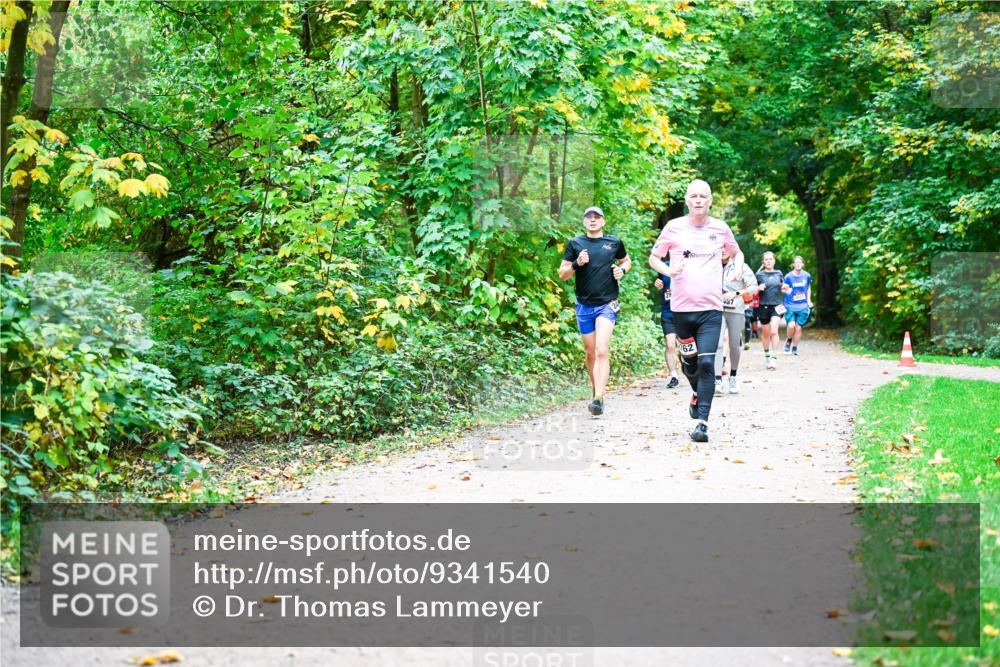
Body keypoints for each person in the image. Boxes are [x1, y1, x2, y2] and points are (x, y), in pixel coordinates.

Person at [648, 179, 744, 443]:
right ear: (687, 201)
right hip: (680, 311)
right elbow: (654, 258)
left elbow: (737, 253)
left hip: (711, 310)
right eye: (694, 196)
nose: (699, 200)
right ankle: (696, 394)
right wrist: (668, 270)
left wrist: (736, 266)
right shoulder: (673, 227)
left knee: (706, 363)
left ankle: (702, 422)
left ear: (710, 200)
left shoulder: (720, 228)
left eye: (703, 196)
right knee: (689, 364)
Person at [559, 206, 632, 416]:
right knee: (590, 353)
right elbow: (562, 274)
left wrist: (622, 270)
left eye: (597, 217)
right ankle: (595, 389)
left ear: (603, 221)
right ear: (584, 222)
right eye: (589, 217)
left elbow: (627, 261)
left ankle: (599, 398)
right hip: (584, 305)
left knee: (601, 350)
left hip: (607, 303)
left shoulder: (614, 242)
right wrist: (576, 263)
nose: (593, 220)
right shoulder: (575, 244)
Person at [715, 251, 759, 394]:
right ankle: (717, 380)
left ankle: (733, 376)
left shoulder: (740, 266)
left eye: (725, 247)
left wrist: (736, 293)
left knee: (734, 345)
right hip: (716, 309)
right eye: (720, 247)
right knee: (718, 343)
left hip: (736, 309)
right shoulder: (710, 264)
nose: (722, 251)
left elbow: (754, 287)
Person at [755, 251, 784, 370]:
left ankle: (774, 358)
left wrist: (785, 288)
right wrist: (758, 288)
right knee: (766, 334)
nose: (768, 261)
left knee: (773, 331)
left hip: (777, 306)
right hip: (763, 306)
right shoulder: (759, 275)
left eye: (770, 259)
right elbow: (751, 290)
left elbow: (782, 287)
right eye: (766, 259)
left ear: (774, 261)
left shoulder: (779, 273)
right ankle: (767, 356)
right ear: (763, 262)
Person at [653, 269, 680, 389]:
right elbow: (660, 282)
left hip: (685, 312)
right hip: (668, 313)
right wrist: (658, 283)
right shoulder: (664, 266)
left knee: (688, 346)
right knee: (670, 345)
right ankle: (674, 376)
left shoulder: (688, 263)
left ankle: (689, 366)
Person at [782, 255, 813, 355]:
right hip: (790, 304)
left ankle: (794, 348)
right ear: (793, 264)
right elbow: (783, 289)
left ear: (803, 264)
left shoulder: (807, 276)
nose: (798, 264)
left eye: (800, 262)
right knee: (791, 326)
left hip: (802, 305)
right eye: (796, 262)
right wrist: (787, 291)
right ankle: (789, 339)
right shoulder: (788, 277)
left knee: (798, 327)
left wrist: (809, 300)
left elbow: (808, 288)